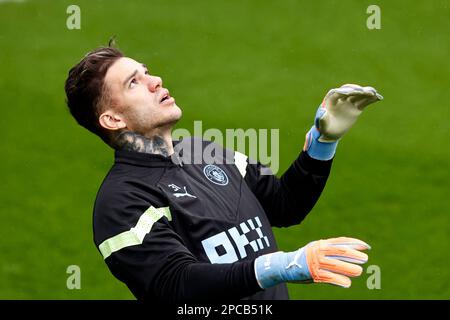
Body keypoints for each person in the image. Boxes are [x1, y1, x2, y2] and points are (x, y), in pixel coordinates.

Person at [64, 46, 382, 301]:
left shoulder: (206, 151)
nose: (155, 80)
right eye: (134, 82)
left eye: (146, 71)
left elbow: (285, 205)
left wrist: (322, 143)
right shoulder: (121, 203)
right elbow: (178, 284)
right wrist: (284, 266)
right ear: (112, 120)